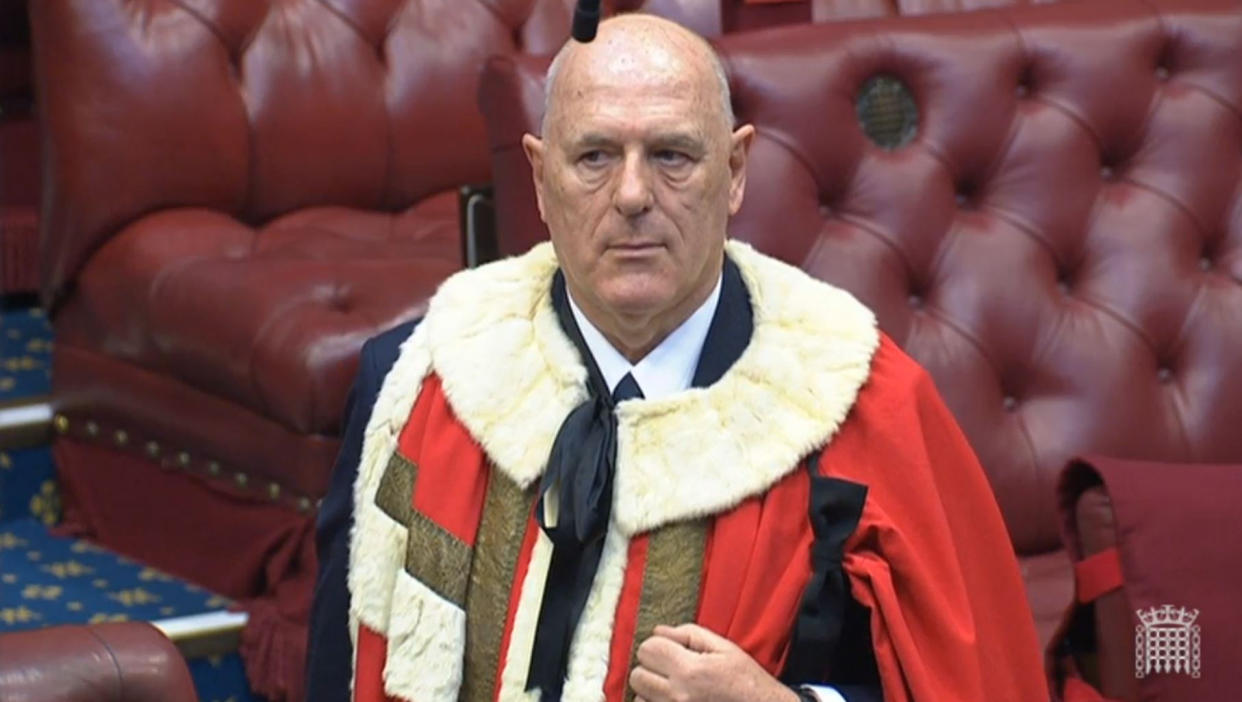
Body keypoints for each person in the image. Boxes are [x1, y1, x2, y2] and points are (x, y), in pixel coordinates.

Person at [306, 14, 1049, 702]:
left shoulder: (860, 411)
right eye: (594, 155)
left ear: (735, 170)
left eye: (672, 155)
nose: (633, 194)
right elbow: (336, 675)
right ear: (538, 178)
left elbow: (978, 677)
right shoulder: (419, 386)